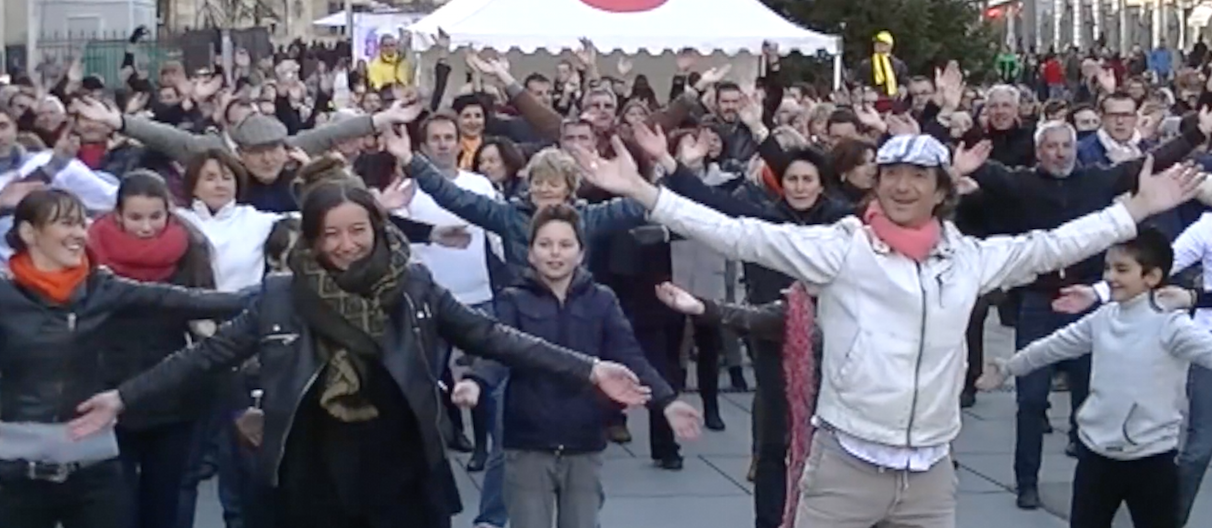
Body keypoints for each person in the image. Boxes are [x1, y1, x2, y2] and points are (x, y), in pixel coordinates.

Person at [568, 131, 1203, 528]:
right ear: (876, 184)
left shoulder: (971, 259)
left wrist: (1138, 209)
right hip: (846, 466)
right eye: (891, 175)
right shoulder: (843, 248)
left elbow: (1054, 243)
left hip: (930, 476)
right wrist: (647, 195)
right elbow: (743, 235)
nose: (902, 186)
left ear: (940, 192)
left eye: (917, 177)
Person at [71, 176, 657, 528]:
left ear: (377, 229)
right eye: (331, 233)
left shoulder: (415, 287)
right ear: (313, 239)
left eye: (358, 230)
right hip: (310, 470)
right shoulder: (283, 295)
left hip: (399, 465)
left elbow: (494, 338)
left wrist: (589, 368)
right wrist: (123, 398)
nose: (346, 245)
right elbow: (206, 355)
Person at [0, 188, 249, 528]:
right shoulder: (5, 295)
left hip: (93, 466)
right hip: (14, 471)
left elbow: (192, 301)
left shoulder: (102, 288)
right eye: (65, 224)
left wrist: (278, 290)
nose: (78, 234)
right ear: (29, 233)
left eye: (81, 223)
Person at [452, 205, 702, 528]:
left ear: (581, 253)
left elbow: (630, 357)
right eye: (545, 244)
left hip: (583, 439)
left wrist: (665, 401)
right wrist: (475, 380)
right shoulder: (513, 300)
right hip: (528, 441)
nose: (555, 253)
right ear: (530, 253)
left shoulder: (601, 301)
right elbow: (498, 352)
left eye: (565, 245)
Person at [977, 227, 1212, 528]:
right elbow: (1053, 346)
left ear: (1151, 277)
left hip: (1152, 460)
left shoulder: (1172, 326)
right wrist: (1009, 367)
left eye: (1122, 269)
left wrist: (1194, 299)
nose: (1111, 276)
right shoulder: (1103, 318)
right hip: (1096, 458)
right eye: (1107, 268)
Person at [87, 171, 220, 528]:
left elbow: (206, 311)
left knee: (167, 499)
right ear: (118, 215)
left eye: (155, 217)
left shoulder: (189, 248)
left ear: (169, 212)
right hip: (106, 387)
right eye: (136, 218)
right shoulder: (88, 252)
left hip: (172, 389)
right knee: (116, 503)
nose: (146, 227)